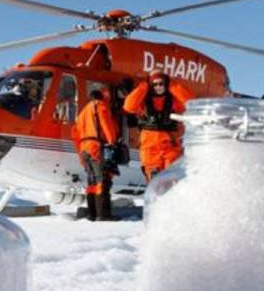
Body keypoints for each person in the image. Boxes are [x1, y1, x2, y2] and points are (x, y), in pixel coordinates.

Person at [123, 70, 195, 181]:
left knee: (172, 180)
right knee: (154, 182)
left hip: (170, 147)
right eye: (155, 84)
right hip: (149, 149)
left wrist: (172, 84)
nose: (158, 87)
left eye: (161, 83)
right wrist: (144, 85)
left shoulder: (174, 101)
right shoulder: (142, 101)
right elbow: (128, 106)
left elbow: (191, 101)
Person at [72, 90, 119, 221]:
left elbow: (75, 134)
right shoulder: (100, 106)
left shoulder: (82, 113)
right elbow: (106, 125)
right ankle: (103, 214)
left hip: (84, 149)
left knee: (92, 182)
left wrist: (80, 153)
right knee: (102, 180)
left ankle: (92, 213)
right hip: (96, 147)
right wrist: (111, 143)